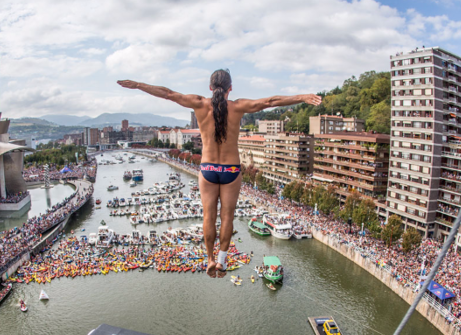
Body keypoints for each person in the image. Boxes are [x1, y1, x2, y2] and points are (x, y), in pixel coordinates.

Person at [118, 71, 321, 277]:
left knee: (209, 216)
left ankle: (210, 259)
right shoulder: (238, 106)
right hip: (231, 169)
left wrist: (138, 85)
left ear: (210, 87)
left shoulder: (198, 103)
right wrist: (301, 97)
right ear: (230, 88)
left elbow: (167, 93)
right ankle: (222, 261)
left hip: (208, 169)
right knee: (227, 216)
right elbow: (270, 101)